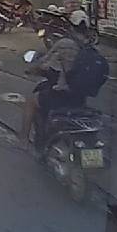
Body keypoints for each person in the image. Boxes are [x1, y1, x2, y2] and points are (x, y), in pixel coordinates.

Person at [20, 8, 97, 144]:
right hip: (80, 99)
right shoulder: (90, 47)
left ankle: (23, 140)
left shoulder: (65, 44)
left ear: (71, 26)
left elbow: (45, 64)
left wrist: (32, 69)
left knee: (31, 101)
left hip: (62, 95)